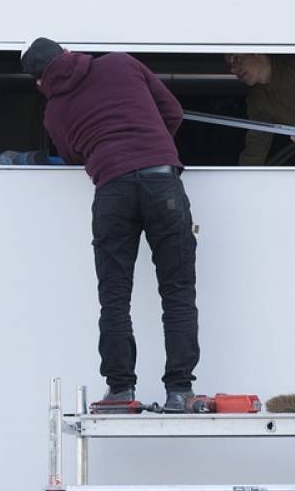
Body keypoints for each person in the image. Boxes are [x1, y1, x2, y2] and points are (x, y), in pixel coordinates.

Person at [22, 38, 199, 412]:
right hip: (161, 182)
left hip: (112, 192)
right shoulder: (121, 63)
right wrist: (149, 145)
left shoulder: (54, 112)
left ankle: (120, 391)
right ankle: (179, 392)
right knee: (177, 290)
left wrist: (115, 155)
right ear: (67, 51)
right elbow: (172, 111)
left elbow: (73, 155)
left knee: (115, 296)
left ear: (39, 82)